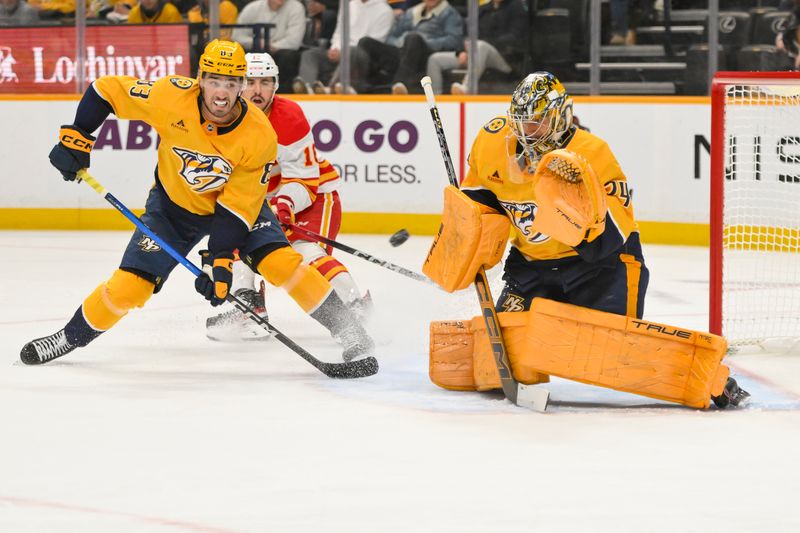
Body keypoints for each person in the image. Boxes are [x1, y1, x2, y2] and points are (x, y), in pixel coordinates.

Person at [20, 39, 374, 366]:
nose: (222, 93)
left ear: (240, 86)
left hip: (235, 211)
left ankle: (350, 330)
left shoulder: (259, 135)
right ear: (200, 79)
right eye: (215, 81)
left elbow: (237, 207)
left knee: (283, 263)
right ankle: (68, 337)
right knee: (130, 285)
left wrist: (219, 260)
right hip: (172, 209)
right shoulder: (169, 95)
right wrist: (78, 136)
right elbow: (106, 90)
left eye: (232, 83)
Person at [424, 71, 749, 408]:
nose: (524, 132)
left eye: (535, 122)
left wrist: (573, 223)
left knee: (611, 353)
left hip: (601, 268)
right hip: (532, 270)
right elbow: (481, 201)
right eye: (519, 122)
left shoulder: (591, 154)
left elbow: (615, 234)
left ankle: (712, 379)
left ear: (558, 116)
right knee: (499, 358)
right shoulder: (493, 142)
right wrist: (467, 234)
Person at [207, 52, 370, 340]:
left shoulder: (288, 116)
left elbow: (306, 179)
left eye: (266, 82)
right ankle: (250, 310)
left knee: (305, 253)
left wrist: (286, 204)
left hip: (314, 196)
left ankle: (354, 307)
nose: (258, 91)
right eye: (251, 82)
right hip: (262, 201)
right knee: (236, 247)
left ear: (276, 85)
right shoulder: (221, 120)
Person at [352, 0, 462, 94]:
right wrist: (402, 41)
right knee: (365, 42)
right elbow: (392, 37)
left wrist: (425, 41)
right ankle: (357, 86)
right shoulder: (411, 12)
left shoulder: (449, 14)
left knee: (413, 38)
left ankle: (399, 85)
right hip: (403, 50)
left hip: (425, 55)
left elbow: (453, 40)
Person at [425, 0, 527, 95]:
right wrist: (461, 51)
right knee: (435, 59)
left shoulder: (516, 8)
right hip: (475, 53)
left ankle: (466, 88)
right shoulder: (483, 9)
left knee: (480, 45)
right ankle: (435, 100)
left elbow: (514, 37)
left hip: (503, 58)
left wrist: (479, 44)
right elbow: (468, 33)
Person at [293, 0, 394, 94]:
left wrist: (343, 52)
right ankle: (306, 88)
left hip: (363, 57)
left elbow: (372, 44)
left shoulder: (385, 11)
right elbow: (339, 32)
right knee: (310, 54)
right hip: (341, 51)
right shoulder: (349, 5)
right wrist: (335, 48)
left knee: (353, 52)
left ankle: (331, 89)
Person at [231, 0, 306, 92]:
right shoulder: (252, 8)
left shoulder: (296, 8)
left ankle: (284, 93)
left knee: (288, 56)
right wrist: (256, 42)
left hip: (280, 51)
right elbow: (236, 36)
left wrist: (272, 46)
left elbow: (294, 41)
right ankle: (242, 90)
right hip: (254, 49)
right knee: (239, 55)